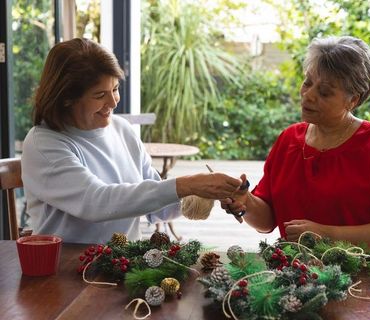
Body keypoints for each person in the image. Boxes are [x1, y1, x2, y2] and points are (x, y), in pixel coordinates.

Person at [21, 38, 242, 244]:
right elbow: (96, 203)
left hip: (123, 264)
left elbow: (158, 208)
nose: (113, 102)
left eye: (115, 89)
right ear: (66, 98)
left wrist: (204, 193)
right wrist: (188, 184)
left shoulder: (121, 130)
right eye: (100, 95)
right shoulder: (43, 144)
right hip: (66, 272)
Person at [222, 36, 370, 259]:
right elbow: (268, 219)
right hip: (299, 273)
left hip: (369, 275)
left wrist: (325, 234)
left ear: (352, 100)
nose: (308, 95)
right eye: (307, 82)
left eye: (324, 92)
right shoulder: (289, 140)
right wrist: (245, 201)